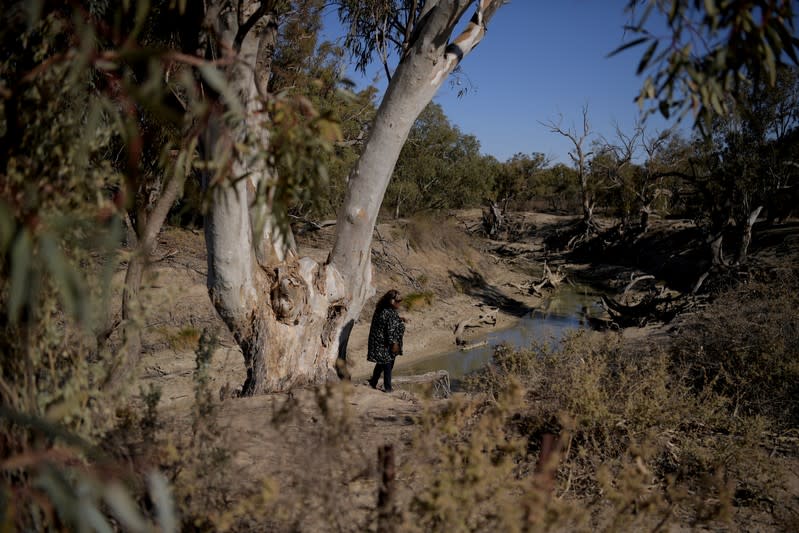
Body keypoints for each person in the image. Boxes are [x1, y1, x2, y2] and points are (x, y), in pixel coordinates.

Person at [367, 289, 406, 393]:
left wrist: (399, 319)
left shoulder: (381, 309)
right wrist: (395, 344)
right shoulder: (390, 313)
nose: (400, 303)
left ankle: (373, 382)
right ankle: (388, 388)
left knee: (381, 363)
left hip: (378, 342)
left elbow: (386, 323)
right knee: (388, 365)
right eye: (398, 301)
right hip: (385, 344)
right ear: (392, 301)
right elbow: (390, 330)